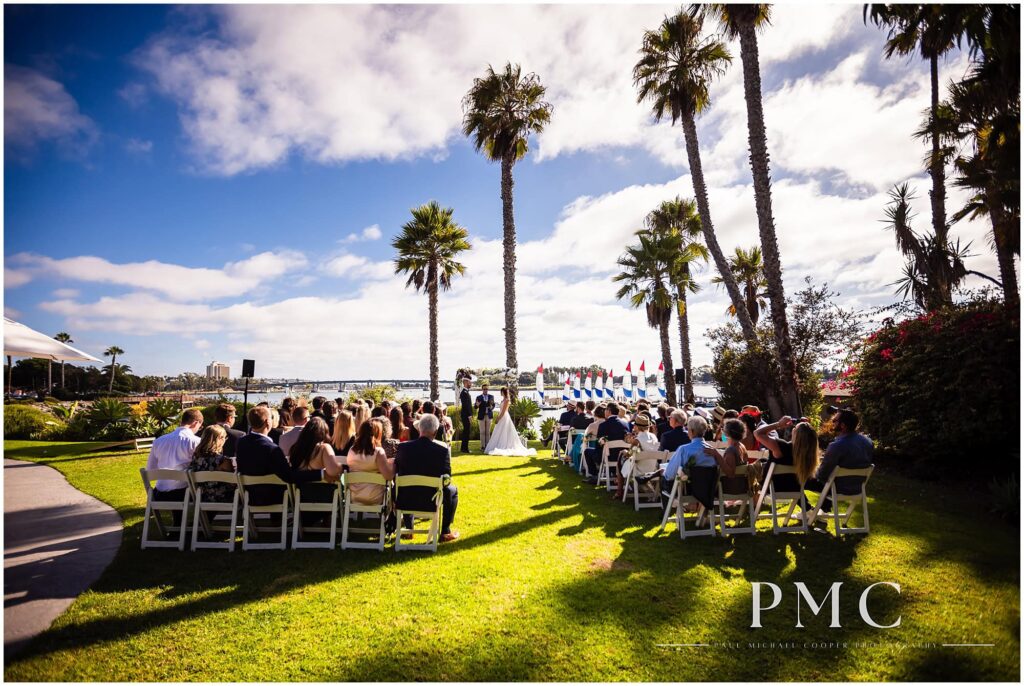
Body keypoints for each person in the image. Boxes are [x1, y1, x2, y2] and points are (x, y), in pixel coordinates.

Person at [235, 406, 333, 507]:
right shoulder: (272, 449)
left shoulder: (241, 443)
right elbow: (289, 476)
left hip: (249, 496)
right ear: (267, 422)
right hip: (273, 498)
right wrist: (321, 474)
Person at [394, 414, 459, 542]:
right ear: (435, 432)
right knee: (452, 490)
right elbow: (447, 478)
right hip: (431, 499)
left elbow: (398, 471)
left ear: (419, 430)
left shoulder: (403, 448)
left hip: (406, 498)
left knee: (404, 485)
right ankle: (445, 531)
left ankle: (409, 528)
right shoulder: (442, 451)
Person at [804, 409, 872, 510]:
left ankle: (807, 510)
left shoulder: (837, 446)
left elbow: (822, 475)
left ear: (843, 425)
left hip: (837, 488)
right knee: (830, 479)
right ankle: (823, 511)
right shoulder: (868, 442)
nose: (832, 422)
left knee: (798, 478)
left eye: (835, 421)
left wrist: (812, 469)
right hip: (857, 488)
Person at [146, 409, 204, 524]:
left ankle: (179, 526)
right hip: (185, 494)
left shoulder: (159, 441)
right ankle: (201, 525)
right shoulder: (196, 442)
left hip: (159, 494)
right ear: (196, 423)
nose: (198, 429)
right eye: (200, 426)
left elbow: (150, 470)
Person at [660, 415, 717, 510]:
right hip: (708, 490)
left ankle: (665, 512)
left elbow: (670, 475)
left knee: (664, 478)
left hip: (686, 490)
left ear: (692, 431)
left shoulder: (684, 450)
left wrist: (664, 472)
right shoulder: (712, 451)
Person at [755, 415, 820, 496]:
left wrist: (778, 424)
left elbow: (757, 433)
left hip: (772, 488)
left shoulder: (782, 447)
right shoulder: (809, 456)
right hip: (794, 489)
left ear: (797, 435)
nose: (793, 428)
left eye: (795, 428)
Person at [345, 419, 394, 506]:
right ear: (377, 433)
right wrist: (393, 465)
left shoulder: (352, 450)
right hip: (376, 497)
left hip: (354, 496)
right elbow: (389, 476)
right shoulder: (378, 452)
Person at [189, 424, 235, 503]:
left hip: (202, 498)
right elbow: (233, 483)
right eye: (225, 438)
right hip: (224, 499)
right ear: (219, 439)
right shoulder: (224, 461)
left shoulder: (195, 458)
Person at [584, 402, 629, 483]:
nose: (604, 412)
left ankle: (595, 475)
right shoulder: (625, 424)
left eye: (605, 410)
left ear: (609, 411)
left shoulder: (604, 425)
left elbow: (599, 445)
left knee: (587, 451)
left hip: (608, 456)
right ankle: (612, 475)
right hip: (623, 457)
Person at [484, 387, 537, 456]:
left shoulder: (507, 400)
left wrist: (498, 418)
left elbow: (504, 411)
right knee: (499, 431)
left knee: (505, 431)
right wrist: (498, 416)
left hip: (504, 417)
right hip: (501, 415)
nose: (501, 393)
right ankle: (497, 444)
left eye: (502, 391)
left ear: (504, 392)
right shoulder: (503, 400)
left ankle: (504, 445)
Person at [705, 418, 748, 496]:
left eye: (723, 429)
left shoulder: (731, 450)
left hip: (730, 488)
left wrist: (717, 455)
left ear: (727, 433)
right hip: (743, 486)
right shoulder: (742, 446)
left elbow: (730, 473)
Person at [475, 383, 496, 448]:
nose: (485, 390)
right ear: (482, 389)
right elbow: (475, 407)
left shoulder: (491, 396)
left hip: (489, 416)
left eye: (486, 389)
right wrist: (477, 405)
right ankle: (482, 446)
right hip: (481, 416)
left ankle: (488, 446)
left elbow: (493, 405)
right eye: (484, 389)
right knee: (482, 431)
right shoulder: (478, 397)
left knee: (488, 431)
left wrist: (491, 407)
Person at [458, 377, 473, 452]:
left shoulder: (466, 392)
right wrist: (469, 415)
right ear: (466, 383)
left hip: (466, 415)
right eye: (469, 382)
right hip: (466, 415)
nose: (471, 384)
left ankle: (464, 448)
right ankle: (464, 449)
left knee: (466, 431)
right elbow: (466, 405)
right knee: (466, 432)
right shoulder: (464, 392)